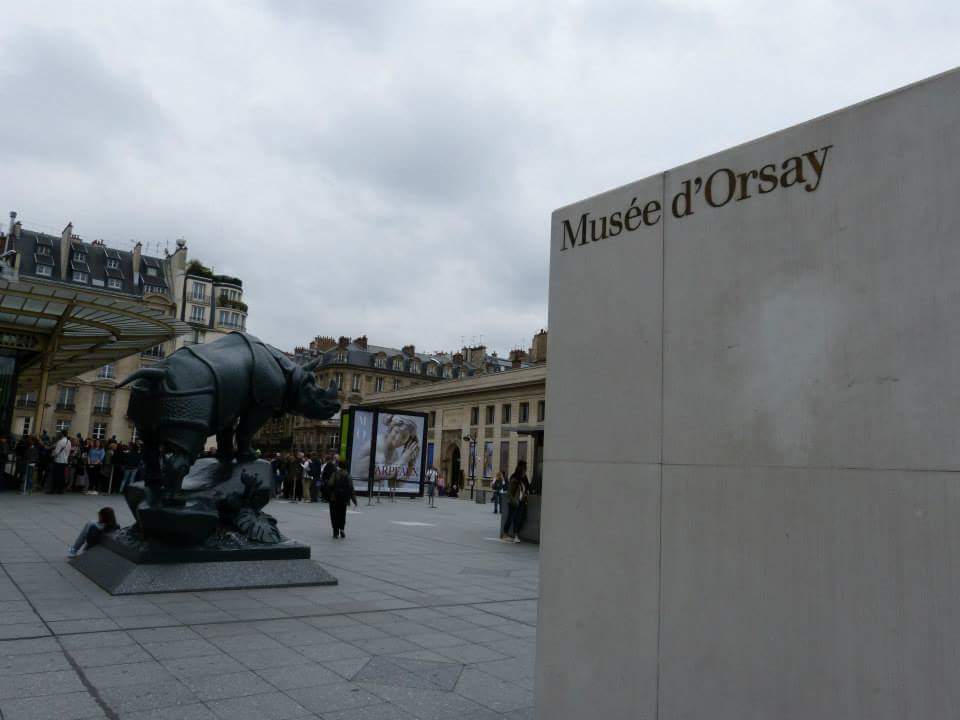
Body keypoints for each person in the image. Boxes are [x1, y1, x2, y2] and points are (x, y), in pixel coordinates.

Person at [501, 461, 530, 543]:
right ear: (521, 469)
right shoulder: (514, 479)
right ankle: (505, 534)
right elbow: (509, 493)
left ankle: (515, 535)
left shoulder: (524, 479)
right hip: (514, 502)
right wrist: (514, 501)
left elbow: (527, 487)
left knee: (519, 518)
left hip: (522, 502)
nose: (525, 471)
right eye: (524, 469)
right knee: (510, 518)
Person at [329, 459, 357, 538]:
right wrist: (354, 500)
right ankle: (342, 529)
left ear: (339, 466)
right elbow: (351, 488)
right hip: (344, 498)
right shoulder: (348, 475)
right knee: (342, 514)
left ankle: (335, 532)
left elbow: (330, 484)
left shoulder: (335, 474)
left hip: (334, 498)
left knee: (334, 515)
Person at [50, 430, 71, 494]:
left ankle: (54, 489)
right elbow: (69, 452)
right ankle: (60, 489)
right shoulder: (69, 442)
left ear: (62, 434)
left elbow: (56, 452)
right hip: (65, 460)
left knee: (56, 475)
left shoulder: (60, 441)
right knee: (62, 476)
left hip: (58, 460)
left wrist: (52, 454)